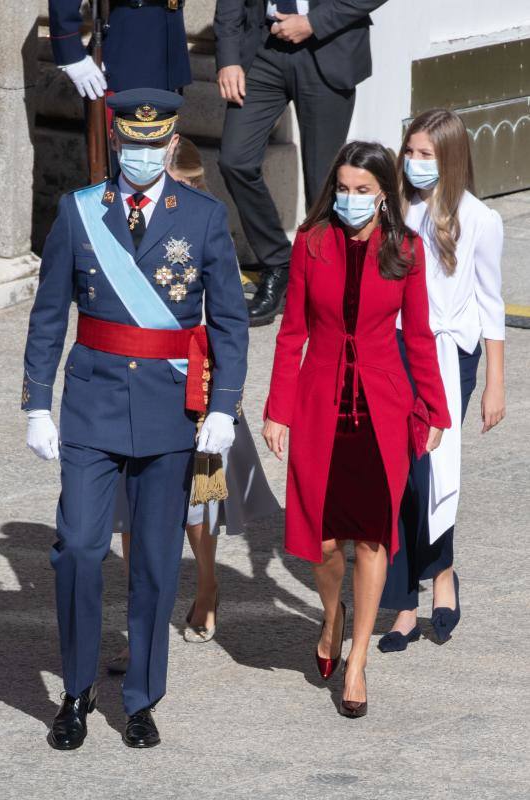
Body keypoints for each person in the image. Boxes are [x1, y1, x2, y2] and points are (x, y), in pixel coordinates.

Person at [22, 88, 248, 750]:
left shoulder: (203, 217)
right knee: (78, 551)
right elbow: (48, 313)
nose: (142, 154)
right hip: (91, 402)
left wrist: (224, 407)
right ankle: (75, 688)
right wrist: (38, 400)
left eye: (155, 145)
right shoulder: (80, 212)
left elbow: (230, 322)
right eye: (131, 144)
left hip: (167, 411)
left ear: (172, 145)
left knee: (152, 561)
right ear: (116, 143)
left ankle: (143, 697)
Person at [262, 141, 451, 718]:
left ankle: (358, 659)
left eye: (362, 191)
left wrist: (436, 410)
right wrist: (278, 408)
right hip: (321, 403)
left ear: (385, 195)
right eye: (342, 189)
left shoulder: (407, 250)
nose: (350, 199)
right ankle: (333, 615)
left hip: (382, 409)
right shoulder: (311, 243)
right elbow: (292, 330)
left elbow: (418, 337)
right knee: (322, 543)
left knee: (371, 538)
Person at [106, 137, 280, 673]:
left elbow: (227, 320)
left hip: (192, 380)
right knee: (131, 513)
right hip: (135, 381)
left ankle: (206, 586)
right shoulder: (119, 219)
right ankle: (142, 632)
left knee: (196, 509)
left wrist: (224, 397)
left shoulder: (206, 228)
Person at [378, 109, 506, 651]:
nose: (414, 163)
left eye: (426, 154)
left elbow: (491, 302)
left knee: (434, 470)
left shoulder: (480, 219)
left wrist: (496, 383)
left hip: (452, 355)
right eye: (409, 152)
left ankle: (443, 575)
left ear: (450, 158)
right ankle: (403, 603)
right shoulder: (396, 210)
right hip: (399, 350)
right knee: (400, 476)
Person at [214, 0, 389, 326]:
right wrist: (228, 57)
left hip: (327, 46)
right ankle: (278, 264)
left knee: (322, 182)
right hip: (262, 48)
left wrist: (314, 22)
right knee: (235, 160)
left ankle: (329, 282)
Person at [48, 0, 191, 97]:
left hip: (171, 46)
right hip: (127, 46)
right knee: (122, 136)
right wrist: (71, 54)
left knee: (161, 136)